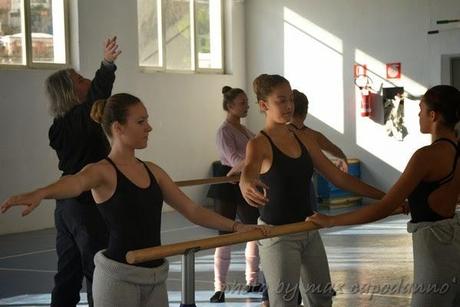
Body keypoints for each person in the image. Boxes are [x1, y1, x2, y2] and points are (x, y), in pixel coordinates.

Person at [1, 93, 270, 307]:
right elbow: (74, 182)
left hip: (155, 278)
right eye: (141, 122)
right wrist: (40, 193)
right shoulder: (103, 171)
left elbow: (191, 210)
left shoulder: (152, 169)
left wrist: (238, 228)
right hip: (117, 280)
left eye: (147, 120)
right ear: (118, 128)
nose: (149, 127)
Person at [239, 74, 385, 307]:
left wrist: (386, 196)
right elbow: (249, 169)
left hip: (309, 227)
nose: (288, 106)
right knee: (284, 302)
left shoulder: (304, 139)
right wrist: (245, 182)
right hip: (278, 236)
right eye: (281, 101)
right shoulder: (259, 143)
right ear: (264, 105)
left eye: (290, 100)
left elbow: (338, 178)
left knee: (321, 299)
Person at [308, 85, 460, 307]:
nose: (418, 115)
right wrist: (416, 202)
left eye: (420, 109)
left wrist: (331, 220)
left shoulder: (426, 156)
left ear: (433, 115)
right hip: (453, 241)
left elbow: (385, 207)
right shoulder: (456, 150)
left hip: (434, 250)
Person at [44, 36, 121, 307]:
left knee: (69, 269)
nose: (85, 80)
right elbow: (99, 92)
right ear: (71, 92)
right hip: (84, 203)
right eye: (79, 79)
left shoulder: (60, 125)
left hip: (65, 205)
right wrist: (107, 65)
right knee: (96, 268)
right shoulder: (78, 120)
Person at [207, 86, 262, 303]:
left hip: (244, 179)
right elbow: (233, 158)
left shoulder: (247, 131)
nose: (247, 106)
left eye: (246, 102)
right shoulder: (224, 131)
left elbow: (252, 155)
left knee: (253, 230)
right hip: (228, 181)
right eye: (242, 103)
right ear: (230, 106)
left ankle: (253, 280)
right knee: (225, 234)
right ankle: (219, 287)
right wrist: (253, 159)